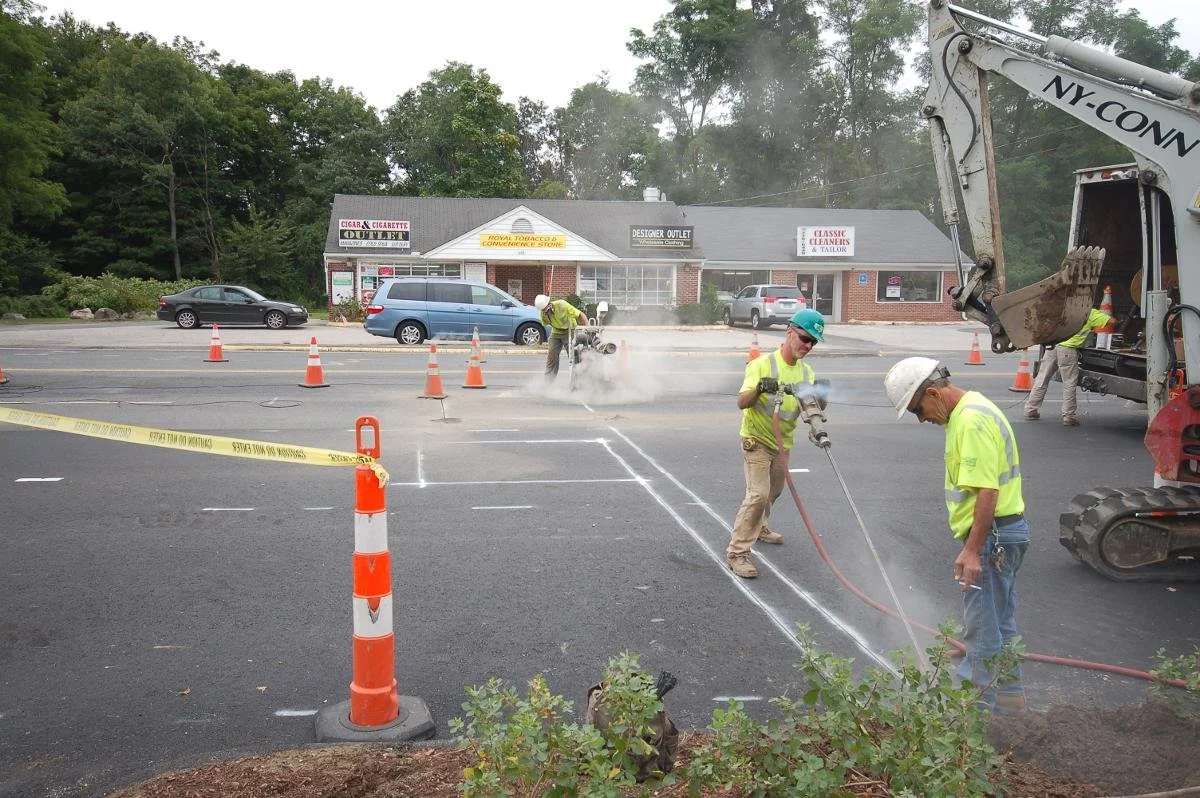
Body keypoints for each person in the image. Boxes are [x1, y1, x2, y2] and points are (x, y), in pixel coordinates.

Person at [884, 357, 1030, 713]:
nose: (922, 419)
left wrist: (972, 550)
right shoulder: (975, 408)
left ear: (933, 393)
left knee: (981, 628)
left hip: (993, 537)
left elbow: (987, 492)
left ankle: (972, 715)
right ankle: (1012, 701)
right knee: (1002, 623)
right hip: (1006, 532)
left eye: (919, 409)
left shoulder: (971, 421)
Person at [725, 308, 825, 579]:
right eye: (805, 338)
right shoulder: (761, 365)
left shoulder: (807, 373)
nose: (808, 346)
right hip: (756, 439)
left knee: (772, 493)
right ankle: (737, 553)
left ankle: (760, 527)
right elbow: (741, 403)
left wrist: (820, 401)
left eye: (813, 342)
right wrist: (758, 390)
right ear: (790, 332)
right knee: (758, 495)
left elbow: (810, 409)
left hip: (783, 443)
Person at [1023, 304, 1112, 426]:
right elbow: (1112, 321)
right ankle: (1069, 416)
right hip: (1068, 350)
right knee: (1069, 383)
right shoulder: (1090, 313)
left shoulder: (1065, 307)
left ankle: (1031, 409)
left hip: (1052, 346)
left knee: (1042, 378)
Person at [534, 294, 589, 380]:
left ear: (549, 303)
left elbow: (580, 314)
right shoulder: (543, 314)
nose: (545, 311)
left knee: (574, 357)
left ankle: (577, 382)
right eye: (543, 310)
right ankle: (547, 384)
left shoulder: (562, 305)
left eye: (546, 309)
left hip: (570, 331)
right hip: (556, 332)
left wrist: (588, 327)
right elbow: (545, 324)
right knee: (551, 358)